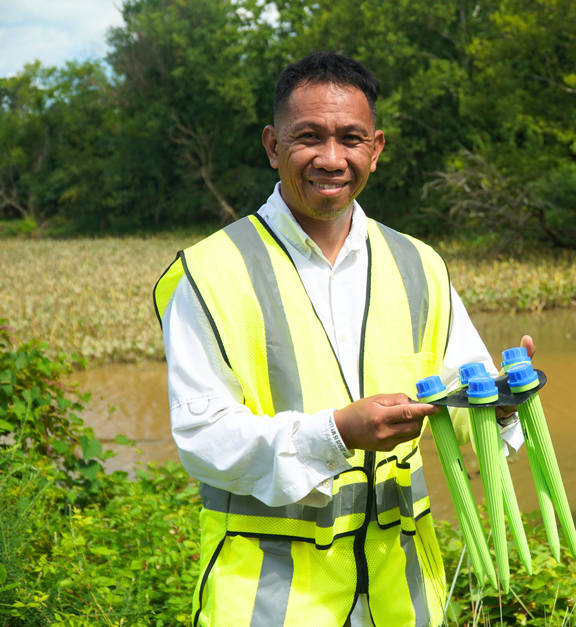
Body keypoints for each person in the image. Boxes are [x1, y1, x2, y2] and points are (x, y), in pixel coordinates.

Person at [153, 51, 533, 627]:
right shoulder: (209, 272)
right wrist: (334, 433)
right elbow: (203, 439)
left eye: (350, 139)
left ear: (375, 150)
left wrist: (501, 405)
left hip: (402, 597)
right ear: (273, 146)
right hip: (271, 604)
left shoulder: (419, 264)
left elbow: (459, 402)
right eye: (309, 137)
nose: (331, 158)